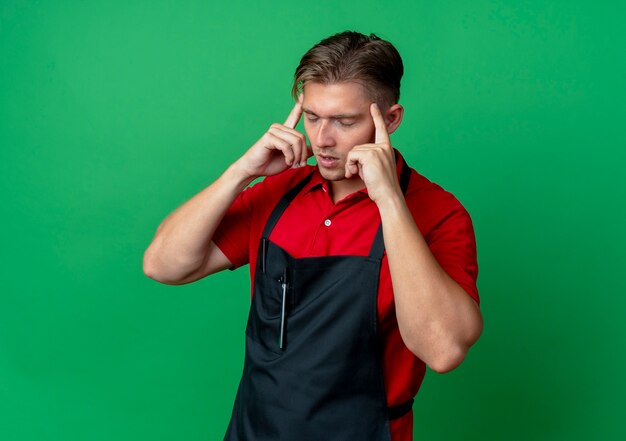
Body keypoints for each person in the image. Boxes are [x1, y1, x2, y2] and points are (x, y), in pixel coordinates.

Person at [143, 31, 483, 441]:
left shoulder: (438, 213)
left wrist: (390, 201)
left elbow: (443, 350)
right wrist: (241, 174)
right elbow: (163, 265)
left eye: (344, 121)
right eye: (313, 116)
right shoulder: (280, 193)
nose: (322, 140)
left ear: (390, 120)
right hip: (256, 429)